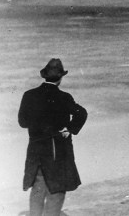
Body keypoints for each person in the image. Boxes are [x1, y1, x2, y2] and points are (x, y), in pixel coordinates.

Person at [18, 58, 88, 216]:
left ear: (45, 76)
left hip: (36, 148)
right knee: (56, 190)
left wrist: (39, 127)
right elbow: (81, 113)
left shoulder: (29, 95)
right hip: (58, 149)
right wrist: (69, 129)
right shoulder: (64, 97)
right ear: (60, 78)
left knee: (38, 186)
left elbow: (22, 122)